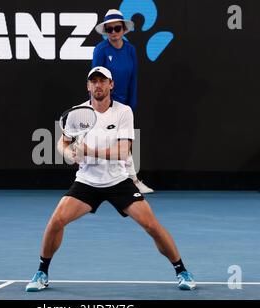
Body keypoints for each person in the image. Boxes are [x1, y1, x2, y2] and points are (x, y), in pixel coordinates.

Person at [25, 66, 196, 292]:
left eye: (102, 81)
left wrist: (87, 150)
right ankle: (41, 273)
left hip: (118, 181)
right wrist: (69, 153)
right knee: (56, 222)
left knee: (151, 225)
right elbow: (63, 142)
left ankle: (182, 271)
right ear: (88, 86)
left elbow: (123, 152)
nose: (98, 85)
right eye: (94, 81)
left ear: (111, 85)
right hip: (87, 181)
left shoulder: (123, 112)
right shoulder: (77, 114)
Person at [92, 9, 154, 194]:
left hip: (124, 105)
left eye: (117, 28)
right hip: (105, 104)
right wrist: (99, 103)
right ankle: (129, 180)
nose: (113, 33)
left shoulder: (130, 50)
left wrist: (131, 103)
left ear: (124, 30)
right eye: (109, 30)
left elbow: (133, 77)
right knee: (107, 142)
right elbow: (96, 79)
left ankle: (130, 180)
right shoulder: (101, 50)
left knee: (123, 143)